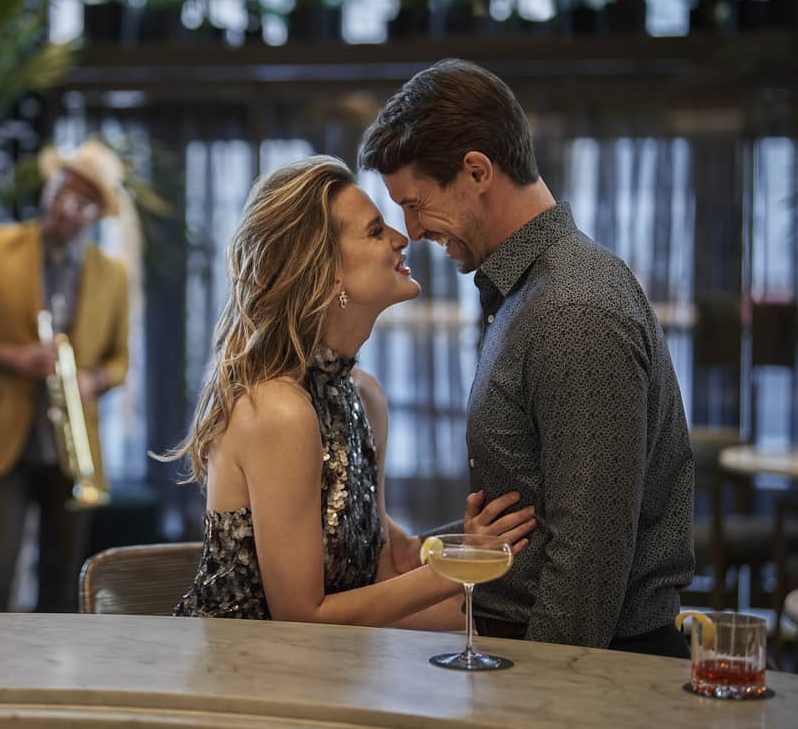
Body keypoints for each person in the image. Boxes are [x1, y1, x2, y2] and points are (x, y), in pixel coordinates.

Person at [359, 58, 694, 656]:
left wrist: (540, 704)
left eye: (416, 203)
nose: (409, 231)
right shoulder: (531, 293)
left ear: (477, 171)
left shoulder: (572, 306)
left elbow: (586, 563)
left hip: (585, 672)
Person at [168, 156, 534, 625]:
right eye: (376, 230)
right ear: (328, 272)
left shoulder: (364, 397)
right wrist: (455, 568)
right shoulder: (278, 410)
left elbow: (378, 579)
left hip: (329, 672)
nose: (403, 238)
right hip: (240, 679)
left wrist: (512, 617)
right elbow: (301, 618)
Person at [0, 140, 130, 612]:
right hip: (5, 438)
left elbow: (120, 362)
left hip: (71, 445)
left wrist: (92, 381)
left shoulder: (112, 275)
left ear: (95, 215)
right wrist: (14, 358)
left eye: (81, 202)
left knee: (63, 582)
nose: (65, 207)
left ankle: (52, 683)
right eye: (61, 191)